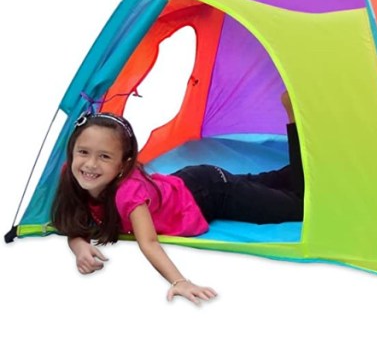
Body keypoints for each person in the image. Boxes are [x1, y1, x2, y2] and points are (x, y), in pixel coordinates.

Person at [51, 91, 304, 303]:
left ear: (123, 164)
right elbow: (73, 218)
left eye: (104, 156)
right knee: (279, 180)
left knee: (300, 205)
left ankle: (295, 118)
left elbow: (148, 242)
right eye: (83, 152)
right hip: (190, 181)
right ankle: (319, 162)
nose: (90, 164)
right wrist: (79, 245)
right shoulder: (73, 176)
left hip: (211, 193)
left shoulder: (127, 193)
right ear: (72, 152)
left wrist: (180, 282)